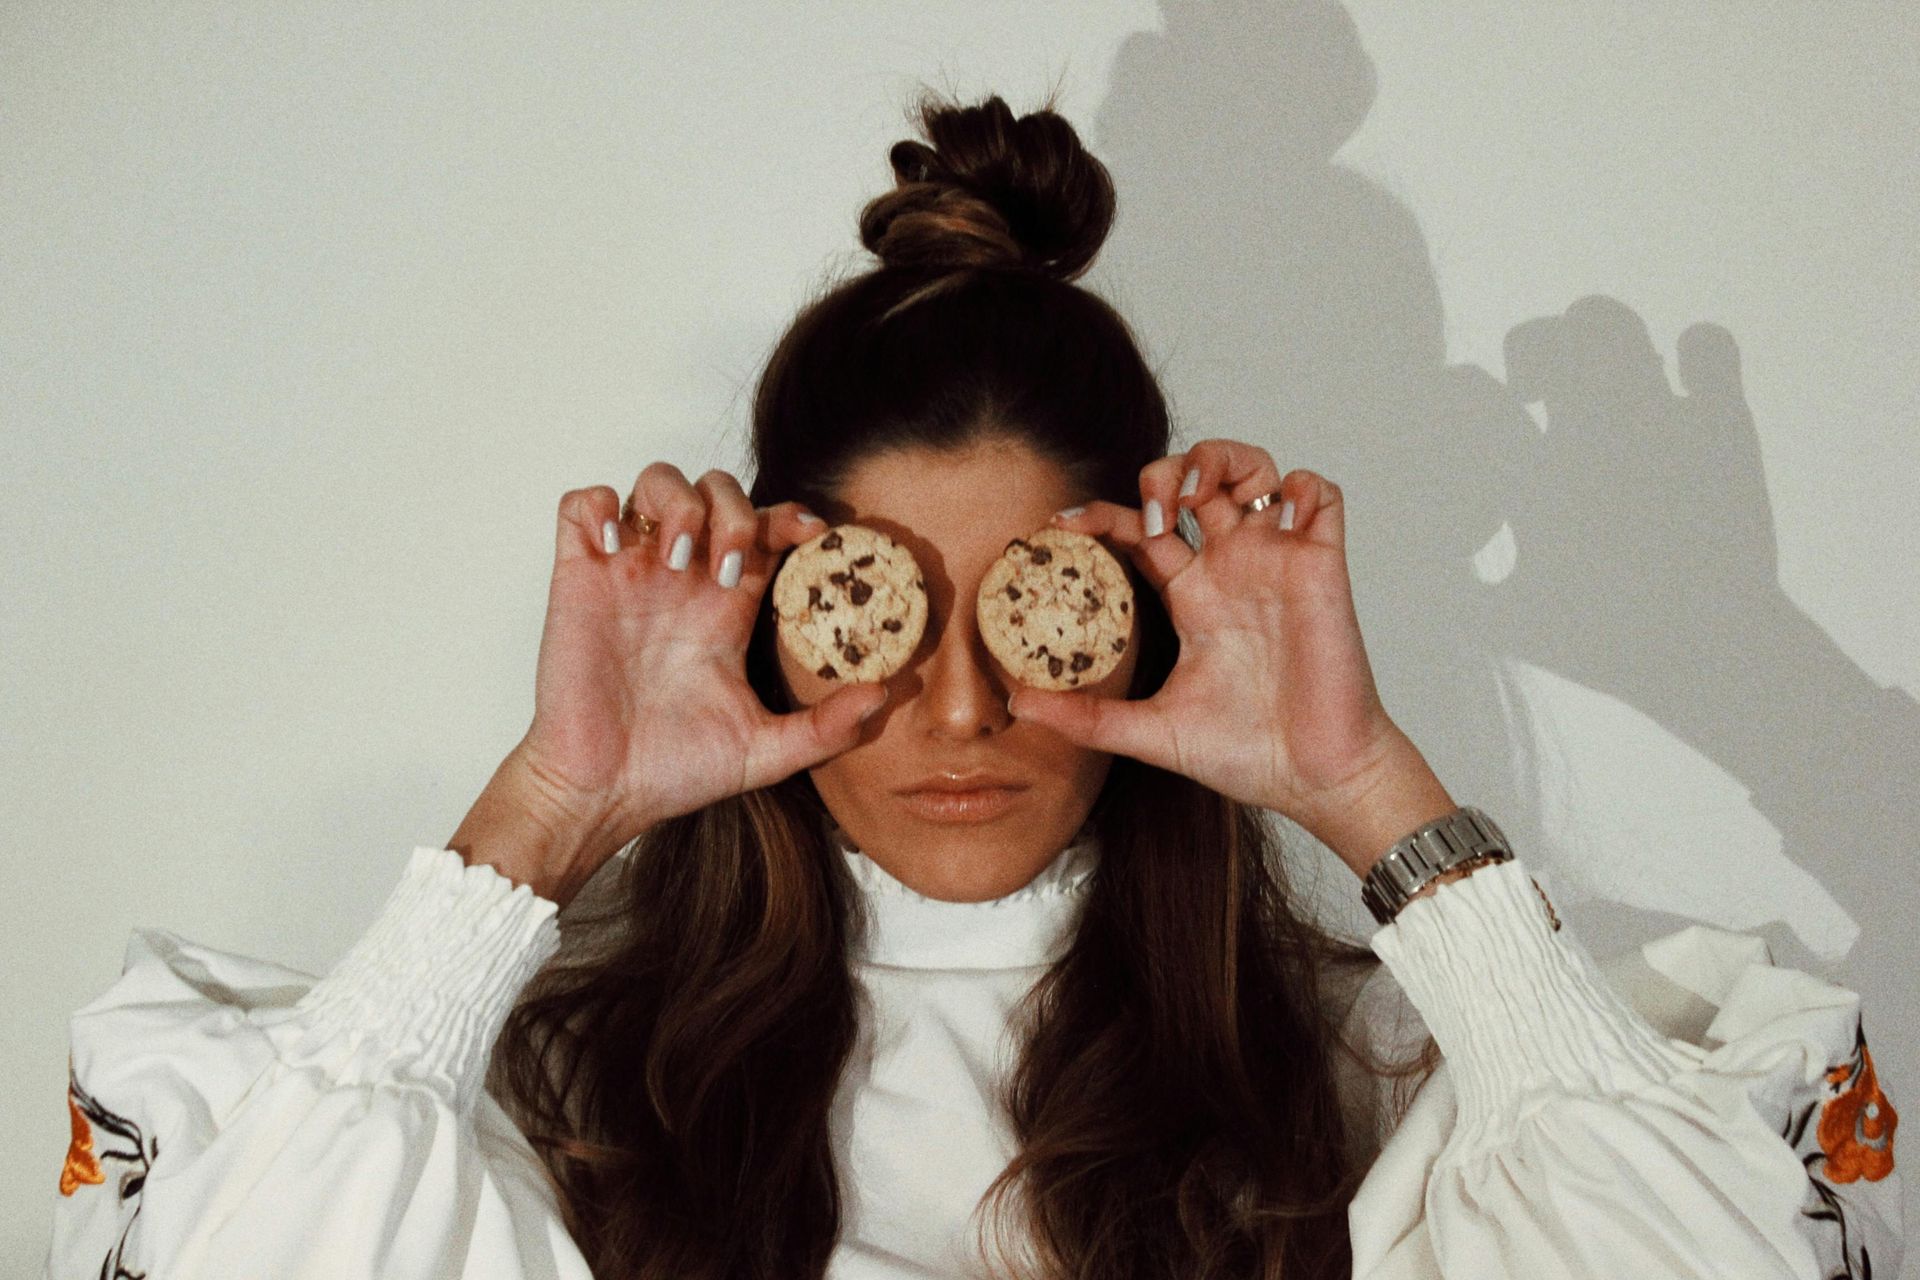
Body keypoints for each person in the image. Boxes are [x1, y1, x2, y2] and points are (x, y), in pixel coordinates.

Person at [47, 91, 1900, 1280]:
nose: (955, 713)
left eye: (1023, 614)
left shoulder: (1388, 1092)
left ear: (1138, 620)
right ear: (772, 625)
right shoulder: (550, 1099)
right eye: (879, 615)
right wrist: (551, 808)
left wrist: (1365, 789)